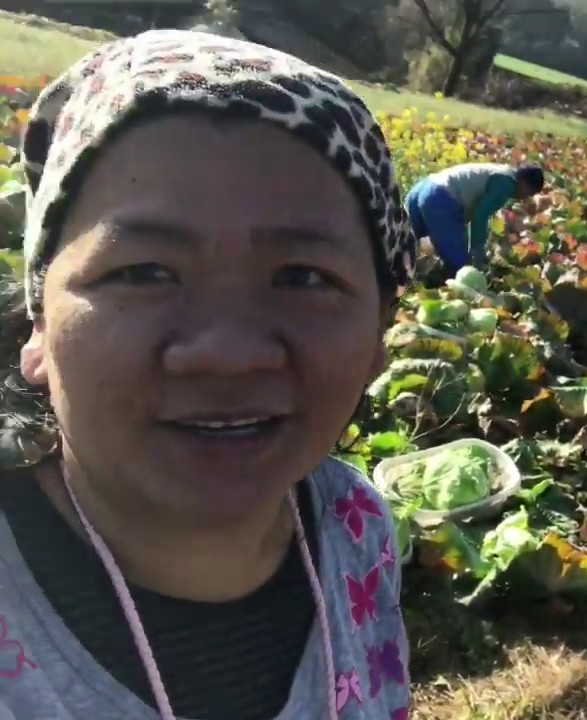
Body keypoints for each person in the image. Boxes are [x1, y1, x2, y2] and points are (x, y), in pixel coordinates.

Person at [0, 29, 417, 720]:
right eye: (144, 272)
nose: (225, 351)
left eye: (302, 277)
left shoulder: (356, 528)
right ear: (40, 323)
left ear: (380, 333)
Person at [405, 162, 546, 276]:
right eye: (529, 192)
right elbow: (480, 216)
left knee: (401, 245)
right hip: (440, 198)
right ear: (524, 183)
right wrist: (478, 250)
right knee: (459, 267)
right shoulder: (507, 185)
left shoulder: (501, 171)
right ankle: (431, 282)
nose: (525, 198)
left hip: (424, 187)